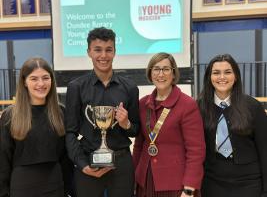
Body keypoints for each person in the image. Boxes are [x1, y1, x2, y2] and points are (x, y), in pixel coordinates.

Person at [65, 27, 140, 197]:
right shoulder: (76, 87)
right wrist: (82, 164)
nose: (103, 56)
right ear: (89, 52)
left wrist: (126, 123)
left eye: (108, 50)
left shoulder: (130, 88)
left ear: (115, 51)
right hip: (88, 162)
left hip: (122, 164)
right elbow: (70, 132)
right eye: (97, 50)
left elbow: (136, 129)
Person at [133, 52, 206, 197]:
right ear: (150, 73)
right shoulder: (142, 104)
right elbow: (139, 146)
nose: (161, 74)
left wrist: (189, 188)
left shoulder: (187, 104)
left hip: (176, 184)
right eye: (156, 69)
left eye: (166, 69)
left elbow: (196, 150)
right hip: (146, 181)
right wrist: (134, 179)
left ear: (173, 73)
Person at [0, 58, 73, 197]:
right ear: (24, 82)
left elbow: (65, 158)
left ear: (51, 80)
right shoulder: (10, 115)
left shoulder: (61, 112)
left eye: (45, 78)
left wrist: (68, 190)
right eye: (34, 78)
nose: (41, 83)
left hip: (55, 185)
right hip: (22, 188)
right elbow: (3, 159)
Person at [197, 54, 267, 197]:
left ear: (236, 76)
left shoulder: (253, 106)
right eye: (216, 73)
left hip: (249, 183)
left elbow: (265, 151)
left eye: (227, 72)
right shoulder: (198, 108)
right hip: (211, 183)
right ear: (209, 78)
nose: (222, 77)